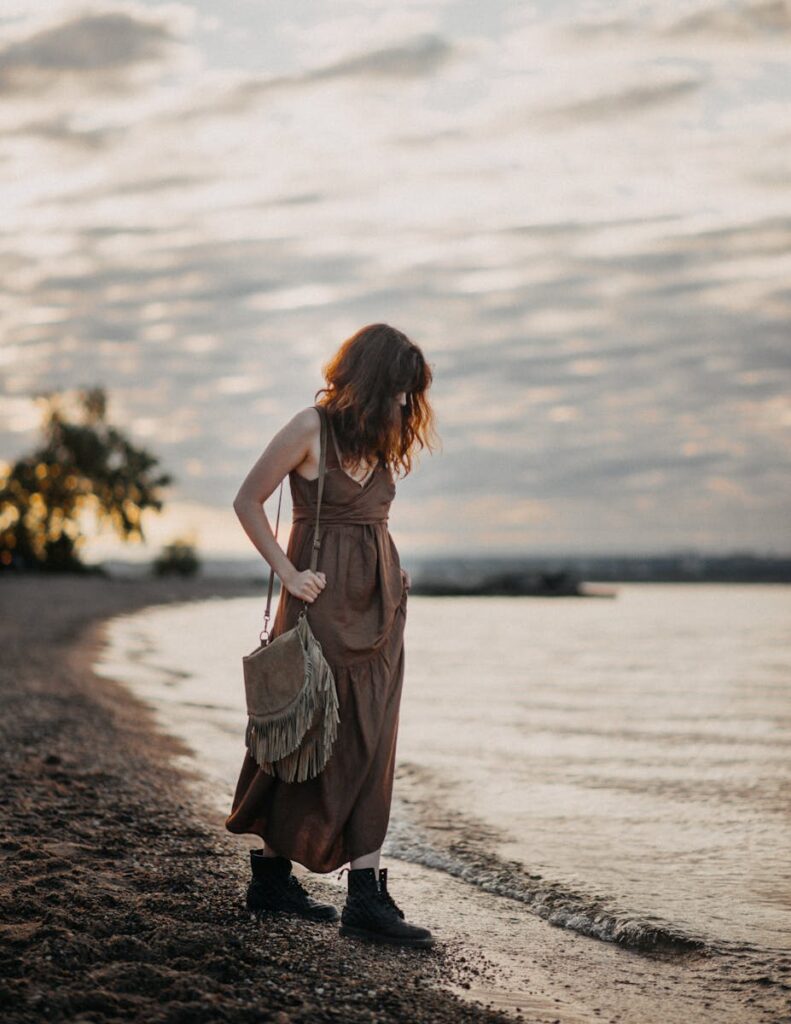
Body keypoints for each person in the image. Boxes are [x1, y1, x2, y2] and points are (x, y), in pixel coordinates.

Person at [226, 323, 439, 948]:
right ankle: (271, 877)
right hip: (320, 609)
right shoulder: (308, 428)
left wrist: (395, 576)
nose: (407, 406)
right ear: (374, 381)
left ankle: (364, 893)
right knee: (304, 736)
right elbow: (247, 500)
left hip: (381, 614)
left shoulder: (381, 436)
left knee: (373, 741)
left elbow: (373, 522)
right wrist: (288, 573)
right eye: (400, 391)